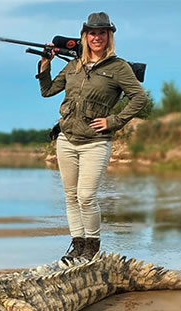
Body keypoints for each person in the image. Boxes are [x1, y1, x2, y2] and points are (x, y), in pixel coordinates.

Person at [37, 12, 147, 260]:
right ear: (84, 36)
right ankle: (77, 246)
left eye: (102, 32)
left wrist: (114, 121)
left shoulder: (119, 67)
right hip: (66, 139)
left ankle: (92, 247)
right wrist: (45, 65)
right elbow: (47, 91)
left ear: (109, 36)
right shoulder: (73, 65)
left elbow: (139, 98)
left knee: (86, 196)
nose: (97, 37)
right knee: (71, 196)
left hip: (95, 142)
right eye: (92, 32)